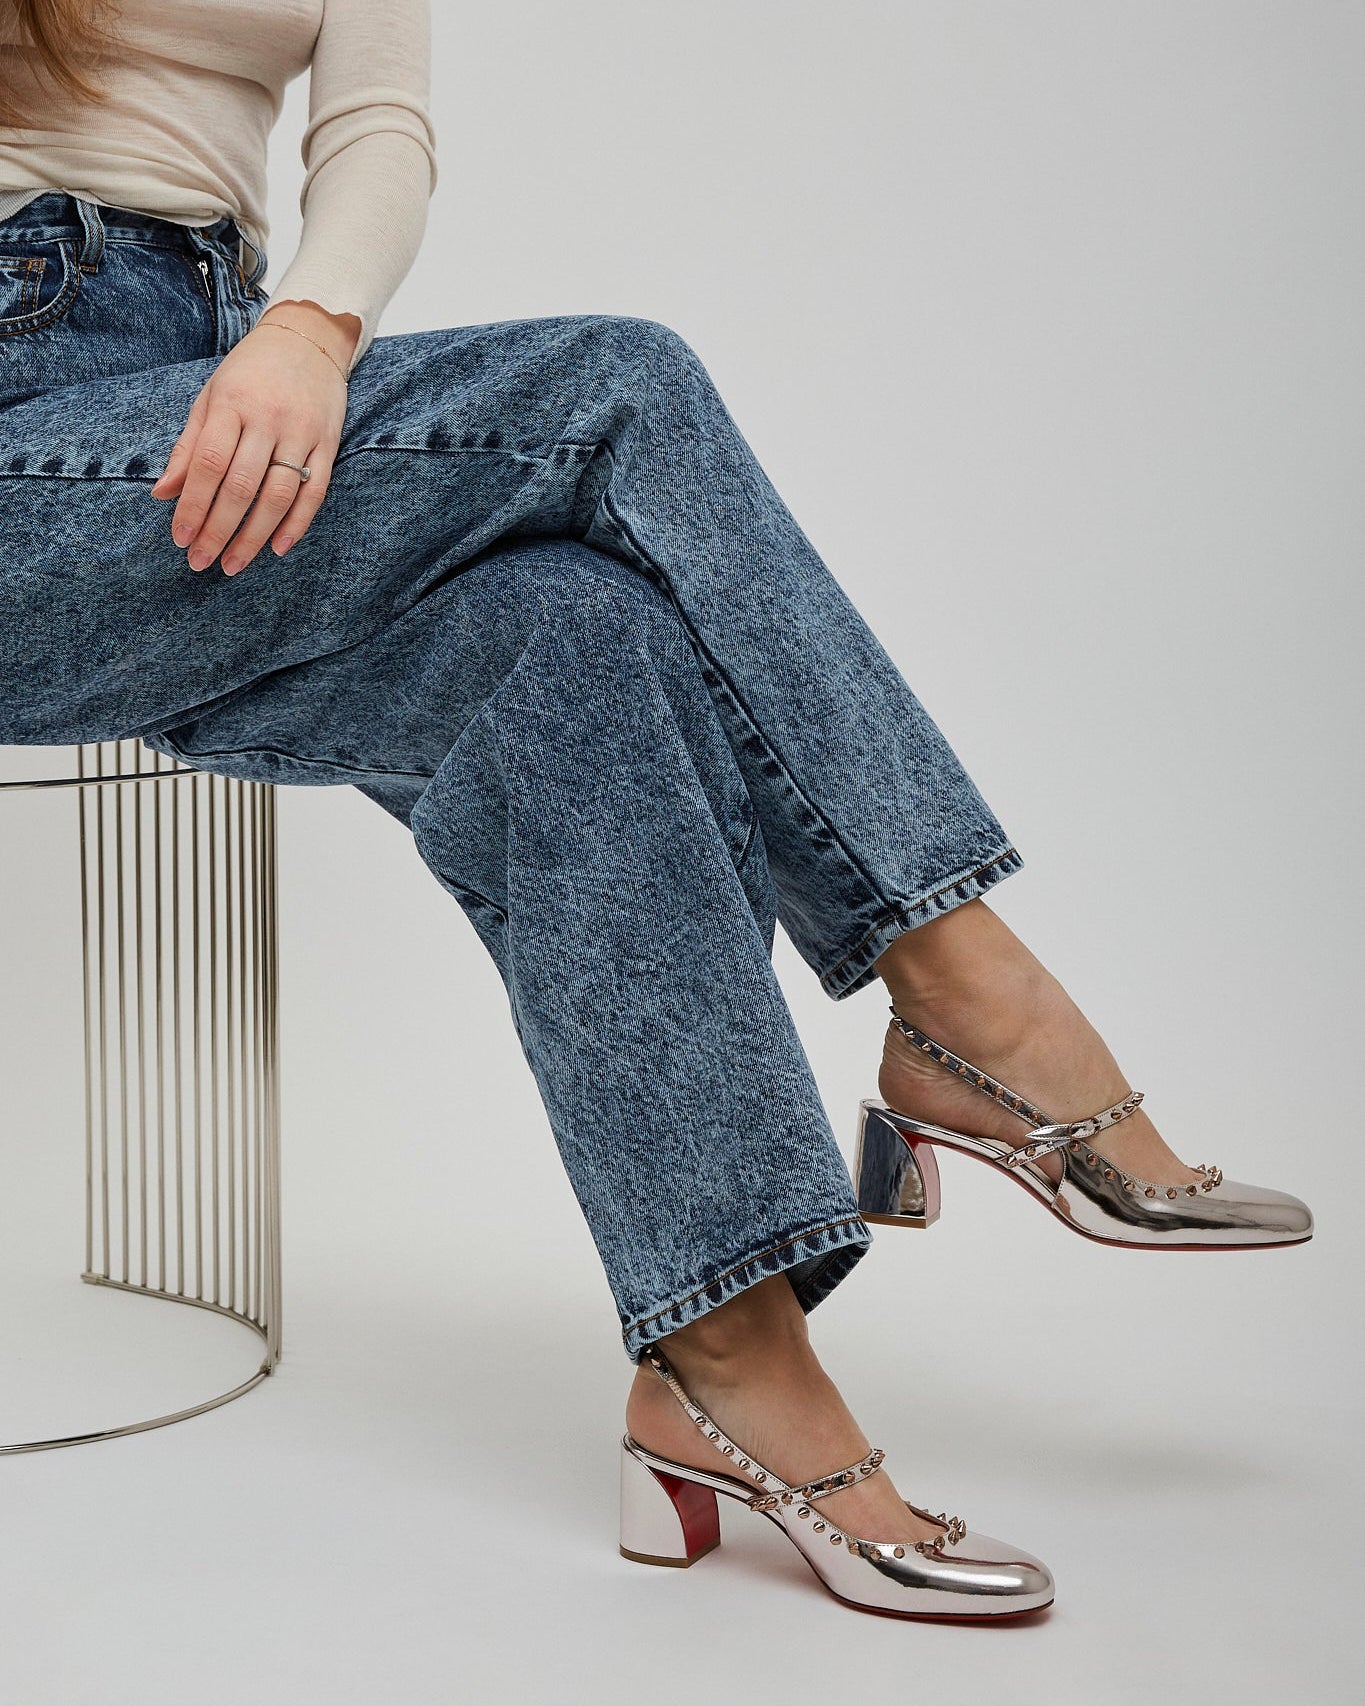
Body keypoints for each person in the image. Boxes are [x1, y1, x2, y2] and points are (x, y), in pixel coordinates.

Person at [0, 0, 1311, 1623]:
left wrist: (311, 327)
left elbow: (374, 131)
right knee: (617, 388)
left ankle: (722, 1360)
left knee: (578, 634)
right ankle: (974, 1004)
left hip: (202, 406)